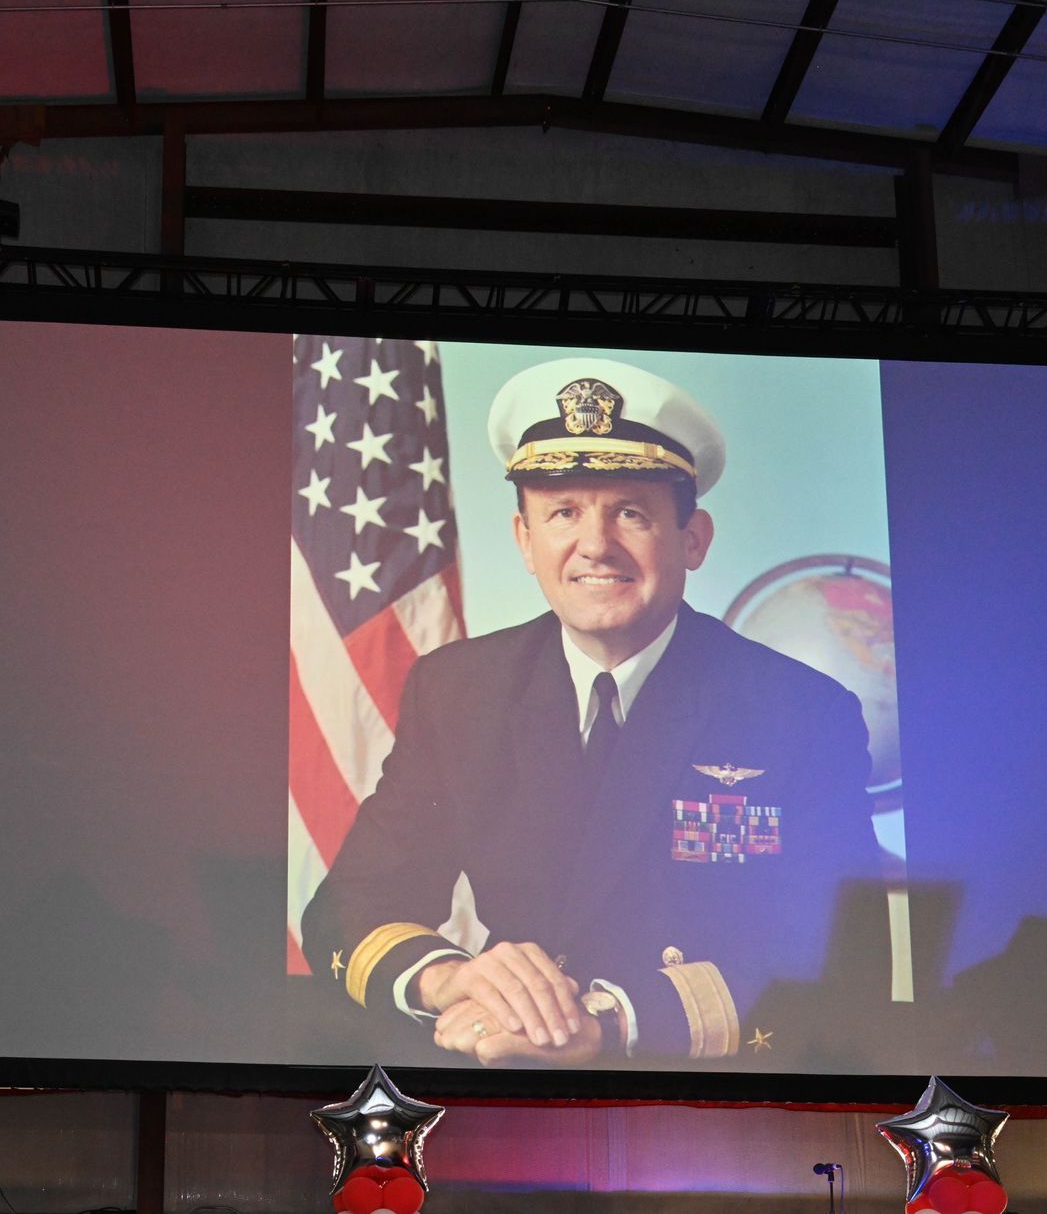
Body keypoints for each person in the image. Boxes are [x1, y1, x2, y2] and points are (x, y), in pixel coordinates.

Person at [301, 356, 878, 1065]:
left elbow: (841, 950)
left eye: (630, 512)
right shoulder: (459, 691)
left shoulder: (800, 713)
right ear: (525, 539)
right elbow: (348, 906)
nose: (595, 545)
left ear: (693, 539)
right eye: (563, 513)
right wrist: (453, 979)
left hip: (694, 1083)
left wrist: (607, 1020)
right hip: (501, 1063)